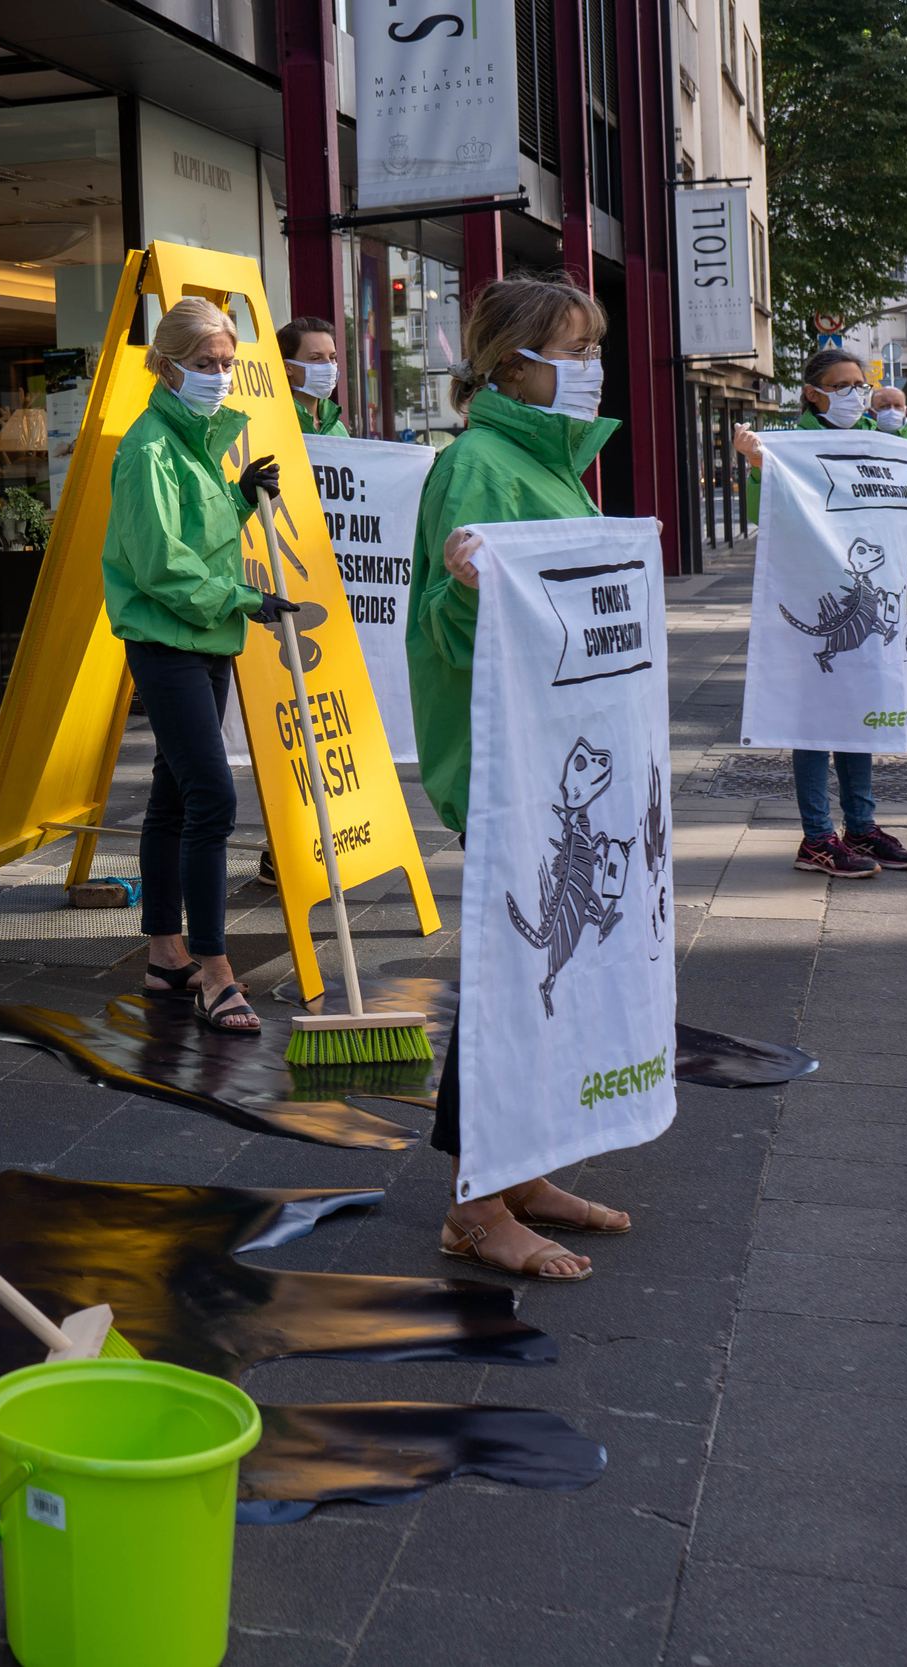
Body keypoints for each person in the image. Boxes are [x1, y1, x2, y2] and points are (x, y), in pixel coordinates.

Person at [406, 272, 636, 1283]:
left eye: (591, 348)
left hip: (556, 765)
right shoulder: (477, 466)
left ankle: (524, 1171)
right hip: (512, 769)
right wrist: (462, 591)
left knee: (555, 986)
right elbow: (445, 627)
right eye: (573, 349)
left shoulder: (541, 460)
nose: (589, 368)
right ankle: (472, 1203)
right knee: (510, 987)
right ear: (512, 364)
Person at [102, 296, 293, 1034]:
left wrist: (242, 499)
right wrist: (245, 597)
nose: (220, 376)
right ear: (167, 365)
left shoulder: (193, 445)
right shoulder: (149, 447)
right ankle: (216, 970)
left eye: (227, 364)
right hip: (169, 639)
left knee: (175, 796)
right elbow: (160, 566)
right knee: (212, 798)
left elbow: (199, 534)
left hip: (204, 640)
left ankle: (164, 954)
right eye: (207, 365)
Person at [731, 348, 907, 880]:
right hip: (817, 594)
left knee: (858, 713)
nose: (854, 395)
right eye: (841, 386)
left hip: (869, 597)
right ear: (812, 393)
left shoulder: (877, 439)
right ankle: (817, 838)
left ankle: (860, 827)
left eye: (858, 385)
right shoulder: (790, 445)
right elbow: (758, 513)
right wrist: (755, 466)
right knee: (815, 721)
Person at [278, 316, 349, 438]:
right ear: (288, 367)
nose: (328, 365)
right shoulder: (273, 423)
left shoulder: (337, 427)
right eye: (315, 358)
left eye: (332, 357)